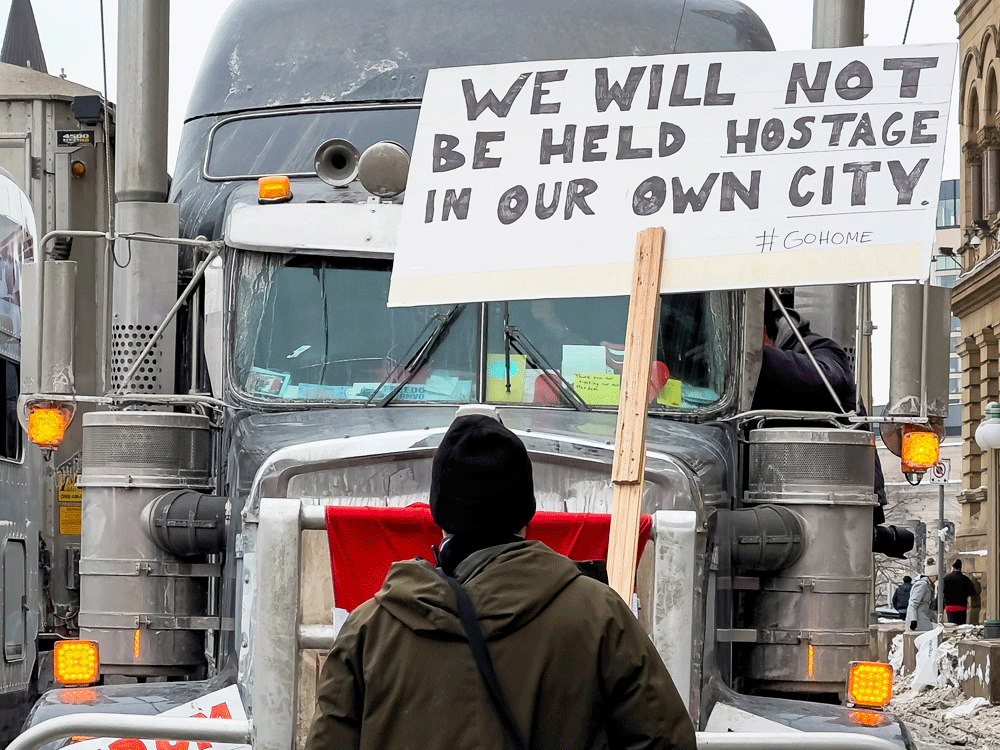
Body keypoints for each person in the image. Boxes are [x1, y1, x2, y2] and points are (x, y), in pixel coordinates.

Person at [304, 412, 696, 750]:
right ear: (527, 514)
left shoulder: (369, 630)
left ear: (439, 516)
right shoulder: (599, 616)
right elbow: (665, 739)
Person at [752, 291, 888, 519]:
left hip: (836, 498)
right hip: (778, 489)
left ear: (763, 333)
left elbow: (829, 377)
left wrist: (753, 355)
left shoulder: (820, 348)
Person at [906, 559, 938, 631]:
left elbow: (928, 606)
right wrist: (913, 620)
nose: (936, 579)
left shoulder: (929, 585)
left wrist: (936, 619)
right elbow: (913, 603)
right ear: (932, 576)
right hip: (918, 618)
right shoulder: (922, 585)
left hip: (922, 616)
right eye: (936, 576)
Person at [943, 558, 978, 625]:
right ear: (960, 568)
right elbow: (972, 592)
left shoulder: (946, 579)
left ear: (952, 568)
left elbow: (941, 591)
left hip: (950, 608)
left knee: (952, 626)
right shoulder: (966, 579)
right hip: (962, 608)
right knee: (961, 627)